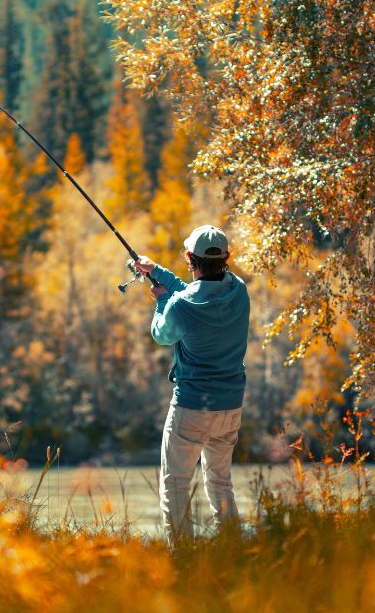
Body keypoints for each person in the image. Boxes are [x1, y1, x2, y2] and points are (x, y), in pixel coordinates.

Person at [131, 224, 250, 544]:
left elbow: (161, 334)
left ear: (189, 257)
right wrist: (157, 272)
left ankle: (184, 560)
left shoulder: (181, 306)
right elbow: (195, 293)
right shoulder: (238, 289)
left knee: (175, 485)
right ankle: (233, 550)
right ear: (226, 257)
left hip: (192, 407)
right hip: (230, 406)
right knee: (220, 483)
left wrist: (160, 300)